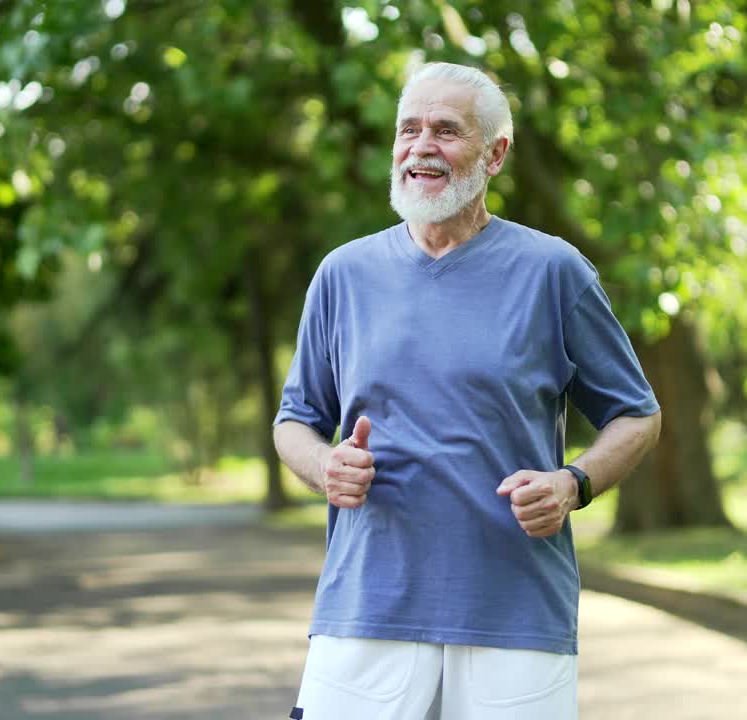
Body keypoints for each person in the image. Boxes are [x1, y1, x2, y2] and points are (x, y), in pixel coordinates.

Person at [273, 62, 662, 720]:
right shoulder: (344, 274)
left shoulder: (553, 272)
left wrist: (573, 484)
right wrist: (323, 466)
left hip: (515, 609)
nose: (422, 146)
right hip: (367, 603)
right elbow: (295, 420)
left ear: (496, 153)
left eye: (447, 131)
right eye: (409, 129)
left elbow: (637, 415)